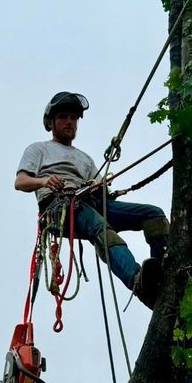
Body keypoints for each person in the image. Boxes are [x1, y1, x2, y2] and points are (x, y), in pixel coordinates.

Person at [14, 91, 169, 308]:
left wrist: (101, 185)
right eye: (64, 117)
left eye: (74, 118)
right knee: (101, 229)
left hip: (89, 201)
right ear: (50, 122)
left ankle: (163, 278)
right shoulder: (39, 149)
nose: (70, 122)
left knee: (154, 214)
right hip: (60, 206)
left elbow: (100, 190)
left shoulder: (84, 158)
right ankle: (137, 282)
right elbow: (20, 181)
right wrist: (44, 181)